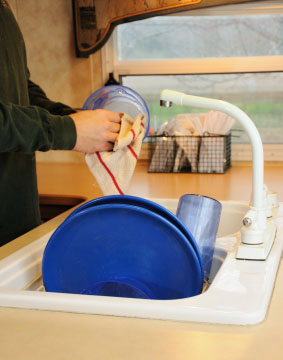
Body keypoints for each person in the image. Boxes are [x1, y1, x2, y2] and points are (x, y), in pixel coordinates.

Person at [0, 1, 121, 245]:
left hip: (17, 225)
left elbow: (20, 90)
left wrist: (72, 118)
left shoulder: (4, 12)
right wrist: (68, 130)